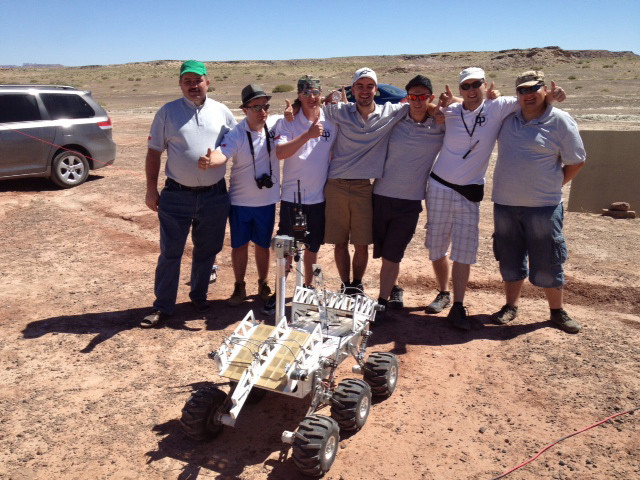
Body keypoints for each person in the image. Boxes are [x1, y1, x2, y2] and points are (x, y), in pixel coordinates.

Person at [424, 67, 565, 330]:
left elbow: (532, 99)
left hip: (470, 190)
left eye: (476, 84)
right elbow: (432, 108)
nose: (471, 90)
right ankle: (443, 292)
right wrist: (437, 106)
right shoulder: (451, 111)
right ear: (460, 89)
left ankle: (458, 305)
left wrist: (553, 95)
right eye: (466, 86)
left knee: (464, 250)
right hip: (439, 186)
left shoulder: (498, 106)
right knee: (436, 245)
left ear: (485, 84)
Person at [141, 60, 236, 328]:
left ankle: (199, 296)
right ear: (180, 84)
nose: (193, 86)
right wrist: (150, 188)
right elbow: (153, 152)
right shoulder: (167, 112)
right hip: (176, 195)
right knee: (170, 252)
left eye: (198, 80)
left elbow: (237, 144)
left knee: (207, 251)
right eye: (187, 81)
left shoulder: (222, 112)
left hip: (214, 196)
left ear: (208, 81)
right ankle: (163, 306)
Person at [489, 70, 585, 333]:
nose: (528, 94)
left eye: (534, 89)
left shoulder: (560, 120)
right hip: (505, 205)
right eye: (522, 90)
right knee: (509, 257)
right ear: (516, 94)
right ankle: (510, 306)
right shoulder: (507, 118)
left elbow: (576, 161)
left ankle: (557, 311)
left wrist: (554, 184)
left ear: (545, 90)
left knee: (548, 258)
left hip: (544, 207)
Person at [320, 68, 409, 294]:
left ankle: (357, 285)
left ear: (376, 90)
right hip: (336, 184)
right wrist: (323, 98)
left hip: (364, 187)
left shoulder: (390, 111)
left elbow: (422, 105)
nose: (365, 91)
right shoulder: (339, 111)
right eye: (359, 86)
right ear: (352, 90)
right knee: (339, 242)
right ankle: (345, 284)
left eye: (370, 86)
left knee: (361, 243)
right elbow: (308, 107)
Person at [200, 85, 280, 308]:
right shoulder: (236, 134)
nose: (262, 112)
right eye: (256, 107)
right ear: (245, 109)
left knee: (263, 245)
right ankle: (239, 285)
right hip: (240, 202)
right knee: (240, 246)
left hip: (266, 201)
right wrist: (210, 160)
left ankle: (263, 283)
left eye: (265, 106)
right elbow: (221, 154)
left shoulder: (274, 126)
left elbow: (299, 112)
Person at [372, 75, 444, 317]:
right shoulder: (395, 118)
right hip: (380, 196)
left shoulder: (440, 125)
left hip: (410, 203)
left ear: (430, 98)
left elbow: (464, 111)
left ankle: (381, 301)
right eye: (413, 96)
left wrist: (440, 109)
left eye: (423, 97)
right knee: (384, 254)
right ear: (407, 98)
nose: (417, 101)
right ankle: (394, 288)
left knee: (393, 253)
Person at [272, 75, 336, 287]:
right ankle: (279, 291)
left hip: (318, 198)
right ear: (299, 95)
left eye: (315, 92)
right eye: (305, 93)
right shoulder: (288, 122)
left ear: (321, 94)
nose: (311, 97)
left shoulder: (331, 121)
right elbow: (280, 152)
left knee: (312, 247)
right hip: (293, 197)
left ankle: (307, 288)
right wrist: (307, 135)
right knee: (287, 247)